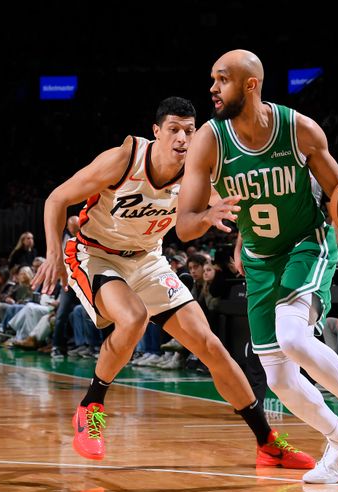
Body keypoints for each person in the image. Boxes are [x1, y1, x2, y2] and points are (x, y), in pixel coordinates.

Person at [31, 96, 313, 470]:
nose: (182, 138)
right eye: (174, 130)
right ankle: (91, 406)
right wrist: (52, 254)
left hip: (147, 259)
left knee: (210, 346)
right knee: (131, 318)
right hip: (96, 254)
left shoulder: (199, 172)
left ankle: (267, 442)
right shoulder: (124, 158)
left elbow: (240, 206)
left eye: (190, 131)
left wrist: (241, 238)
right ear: (156, 132)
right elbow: (57, 199)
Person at [177, 49, 338, 484]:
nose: (212, 87)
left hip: (307, 244)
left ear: (250, 84)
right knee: (279, 380)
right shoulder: (209, 140)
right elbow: (184, 225)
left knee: (293, 336)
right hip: (260, 262)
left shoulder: (299, 129)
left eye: (221, 79)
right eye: (211, 78)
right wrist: (207, 216)